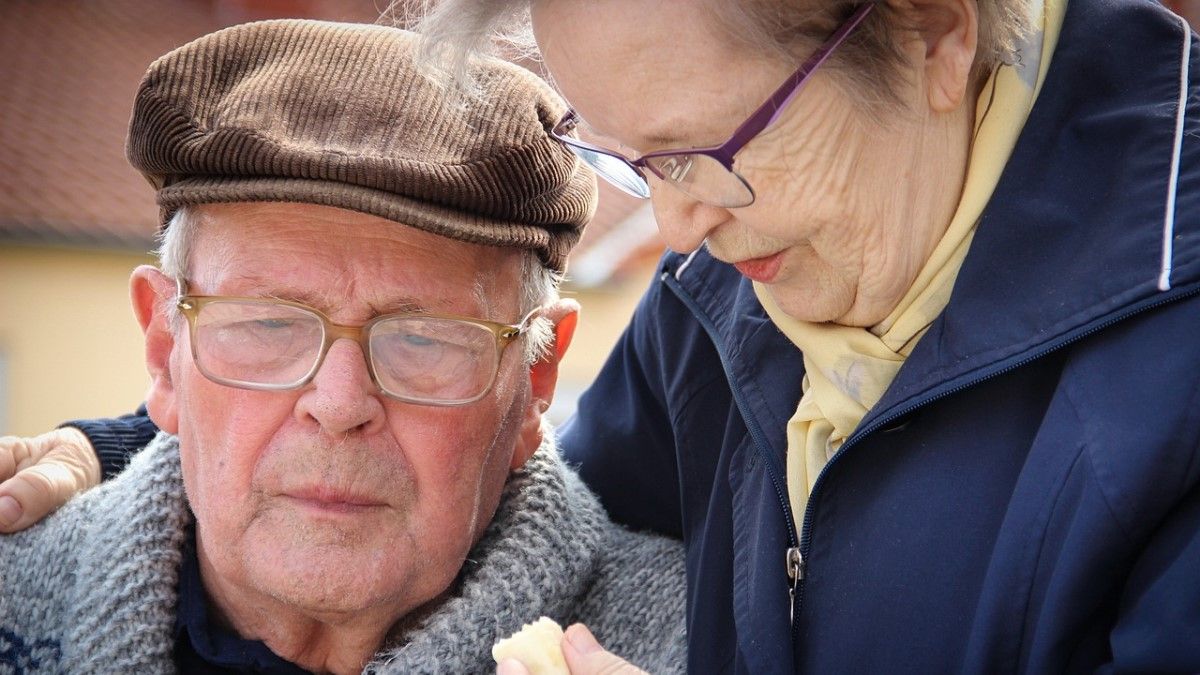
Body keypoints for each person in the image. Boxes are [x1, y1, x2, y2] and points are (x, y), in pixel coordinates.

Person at [4, 0, 1200, 672]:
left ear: (935, 32)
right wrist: (123, 462)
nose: (676, 229)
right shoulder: (731, 288)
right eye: (630, 164)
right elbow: (472, 468)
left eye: (710, 149)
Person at [0, 19, 687, 675]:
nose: (339, 404)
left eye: (422, 337)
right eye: (269, 323)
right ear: (164, 348)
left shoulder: (705, 639)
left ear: (536, 377)